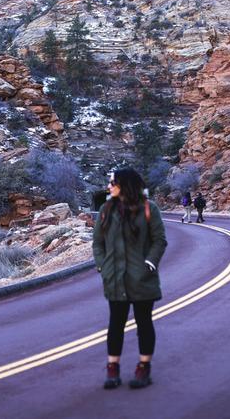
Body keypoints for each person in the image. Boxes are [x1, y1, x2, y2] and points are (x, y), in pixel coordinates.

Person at [93, 166, 167, 390]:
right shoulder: (106, 209)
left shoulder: (148, 208)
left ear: (124, 185)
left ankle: (144, 368)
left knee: (144, 323)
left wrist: (149, 264)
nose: (108, 186)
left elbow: (159, 240)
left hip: (142, 278)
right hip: (115, 278)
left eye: (112, 182)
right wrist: (103, 266)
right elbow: (98, 243)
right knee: (115, 324)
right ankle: (112, 368)